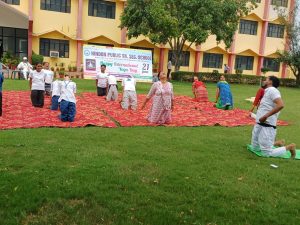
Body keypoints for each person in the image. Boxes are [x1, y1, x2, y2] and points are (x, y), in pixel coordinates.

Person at [251, 76, 296, 158]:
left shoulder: (273, 90)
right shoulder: (267, 91)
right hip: (259, 123)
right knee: (255, 148)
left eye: (266, 79)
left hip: (267, 125)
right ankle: (278, 143)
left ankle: (290, 147)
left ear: (270, 82)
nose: (264, 80)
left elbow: (281, 105)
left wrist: (265, 116)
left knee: (266, 153)